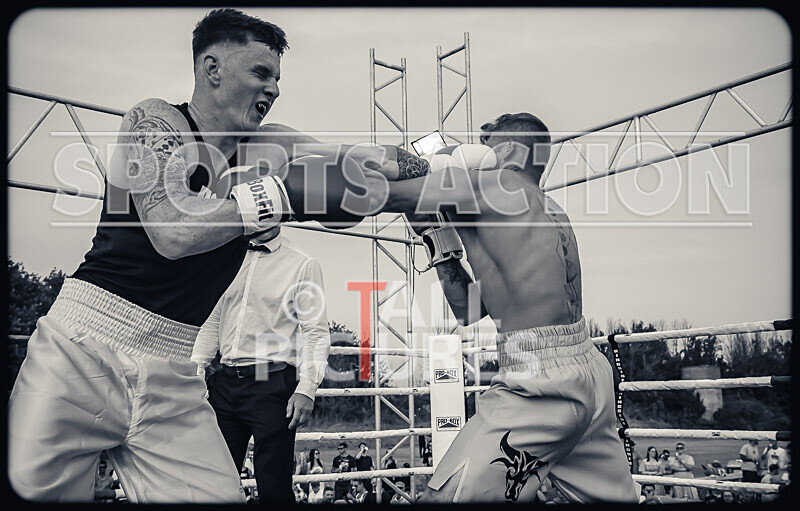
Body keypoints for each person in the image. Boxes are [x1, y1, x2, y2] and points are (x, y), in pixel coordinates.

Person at [7, 7, 427, 503]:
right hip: (81, 350)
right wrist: (281, 194)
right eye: (261, 73)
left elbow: (357, 160)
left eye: (277, 78)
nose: (273, 88)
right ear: (213, 68)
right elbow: (173, 231)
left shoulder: (273, 144)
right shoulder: (156, 122)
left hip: (173, 372)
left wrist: (435, 168)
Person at [364, 113, 638, 503]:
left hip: (540, 381)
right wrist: (439, 240)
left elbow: (382, 193)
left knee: (443, 499)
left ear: (507, 149)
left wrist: (290, 191)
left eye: (486, 139)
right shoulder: (547, 209)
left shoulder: (493, 183)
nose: (476, 143)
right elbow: (469, 309)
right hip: (589, 371)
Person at [191, 224, 330, 503]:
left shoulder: (302, 263)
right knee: (216, 483)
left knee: (274, 487)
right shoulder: (226, 256)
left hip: (271, 380)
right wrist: (195, 371)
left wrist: (307, 389)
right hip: (224, 382)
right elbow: (213, 320)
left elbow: (315, 331)